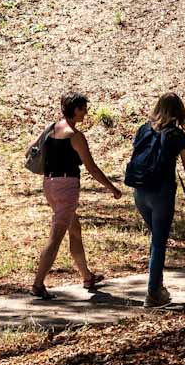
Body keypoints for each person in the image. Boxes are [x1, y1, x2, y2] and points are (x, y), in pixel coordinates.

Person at [31, 92, 122, 299]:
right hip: (66, 187)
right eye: (83, 108)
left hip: (49, 185)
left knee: (75, 229)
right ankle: (37, 284)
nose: (86, 112)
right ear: (76, 109)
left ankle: (87, 276)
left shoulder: (52, 128)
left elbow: (31, 150)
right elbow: (92, 168)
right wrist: (112, 188)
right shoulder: (75, 136)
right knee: (56, 237)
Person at [127, 92, 185, 308]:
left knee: (156, 239)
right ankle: (153, 293)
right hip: (162, 192)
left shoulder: (143, 129)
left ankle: (158, 287)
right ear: (178, 111)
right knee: (159, 243)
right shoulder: (178, 136)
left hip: (140, 190)